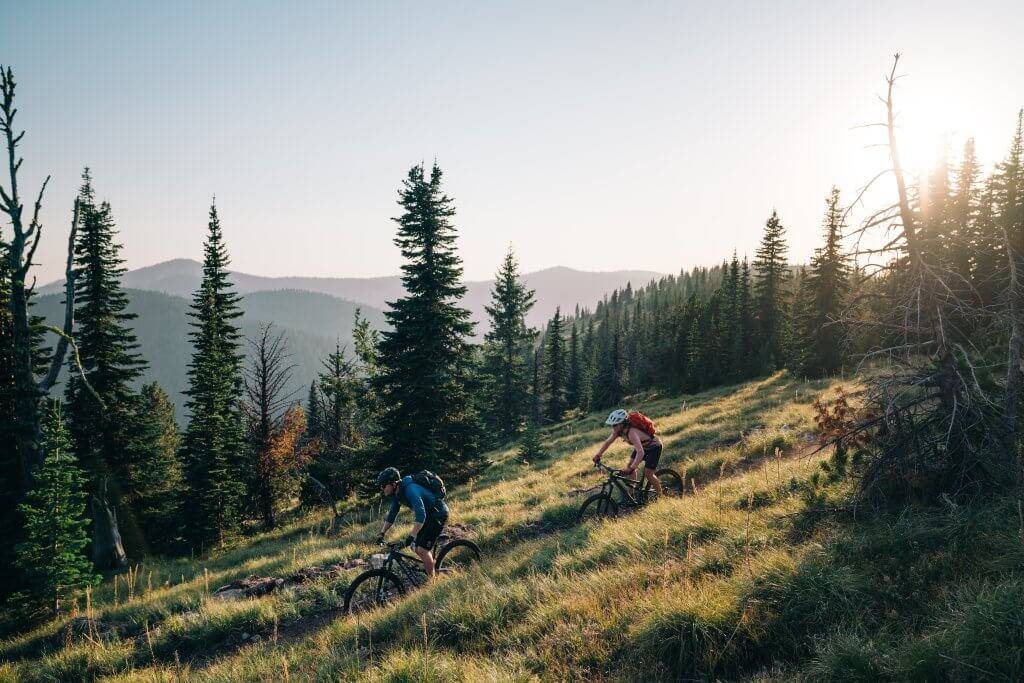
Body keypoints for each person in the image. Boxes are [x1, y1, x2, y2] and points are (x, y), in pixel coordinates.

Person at [375, 467, 449, 579]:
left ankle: (433, 583)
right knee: (414, 546)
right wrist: (382, 533)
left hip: (438, 515)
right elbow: (391, 516)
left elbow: (421, 515)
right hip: (428, 517)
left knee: (422, 550)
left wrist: (412, 535)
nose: (382, 489)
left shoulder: (410, 490)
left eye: (384, 485)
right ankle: (432, 567)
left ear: (393, 483)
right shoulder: (398, 493)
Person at [592, 409, 663, 497]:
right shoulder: (619, 431)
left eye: (615, 425)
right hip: (643, 447)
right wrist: (598, 455)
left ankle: (661, 495)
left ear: (622, 423)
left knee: (648, 473)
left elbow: (640, 452)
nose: (613, 427)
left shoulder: (631, 433)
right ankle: (631, 494)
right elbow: (608, 442)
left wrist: (632, 468)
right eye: (612, 425)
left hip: (654, 448)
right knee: (629, 467)